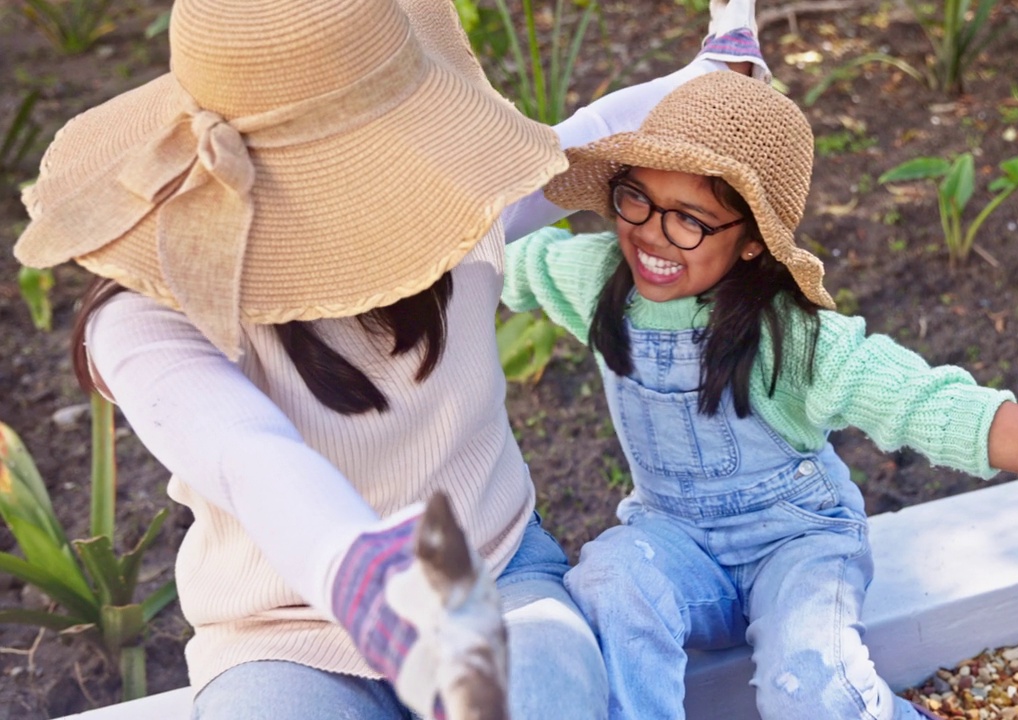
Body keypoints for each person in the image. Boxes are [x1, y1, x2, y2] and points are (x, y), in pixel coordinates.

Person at [12, 0, 771, 718]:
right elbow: (248, 453)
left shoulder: (448, 215)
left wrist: (713, 72)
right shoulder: (147, 315)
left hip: (490, 571)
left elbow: (577, 141)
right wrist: (370, 581)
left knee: (548, 690)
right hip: (281, 632)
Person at [500, 69, 1018, 720]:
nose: (651, 235)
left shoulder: (794, 340)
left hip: (795, 544)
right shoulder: (593, 277)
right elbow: (469, 256)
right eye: (636, 200)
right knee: (606, 583)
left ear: (750, 239)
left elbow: (956, 414)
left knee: (813, 691)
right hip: (672, 546)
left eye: (690, 220)